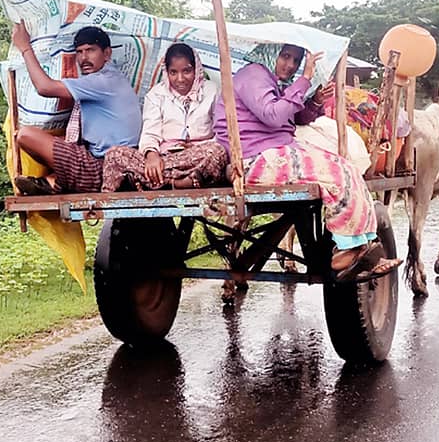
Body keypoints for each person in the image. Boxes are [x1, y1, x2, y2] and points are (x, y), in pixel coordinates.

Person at [212, 43, 402, 282]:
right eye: (285, 56)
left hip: (271, 153)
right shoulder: (253, 75)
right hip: (254, 161)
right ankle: (346, 249)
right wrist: (305, 78)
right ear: (271, 53)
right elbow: (273, 115)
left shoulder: (272, 82)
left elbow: (294, 117)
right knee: (337, 173)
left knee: (345, 166)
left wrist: (312, 100)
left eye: (296, 60)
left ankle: (361, 248)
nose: (290, 65)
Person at [11, 24, 141, 195]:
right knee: (57, 140)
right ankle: (52, 182)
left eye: (90, 50)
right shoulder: (111, 79)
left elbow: (44, 87)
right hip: (107, 164)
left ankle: (53, 182)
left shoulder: (103, 80)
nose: (83, 58)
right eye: (79, 52)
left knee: (25, 135)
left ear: (107, 53)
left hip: (107, 169)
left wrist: (25, 48)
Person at [102, 43, 227, 191]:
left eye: (186, 71)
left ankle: (155, 181)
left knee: (217, 151)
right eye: (173, 72)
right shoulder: (156, 95)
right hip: (163, 158)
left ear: (196, 69)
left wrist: (199, 147)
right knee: (114, 154)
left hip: (199, 156)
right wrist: (151, 155)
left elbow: (222, 132)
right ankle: (177, 182)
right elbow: (149, 133)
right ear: (166, 72)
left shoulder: (212, 91)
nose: (180, 79)